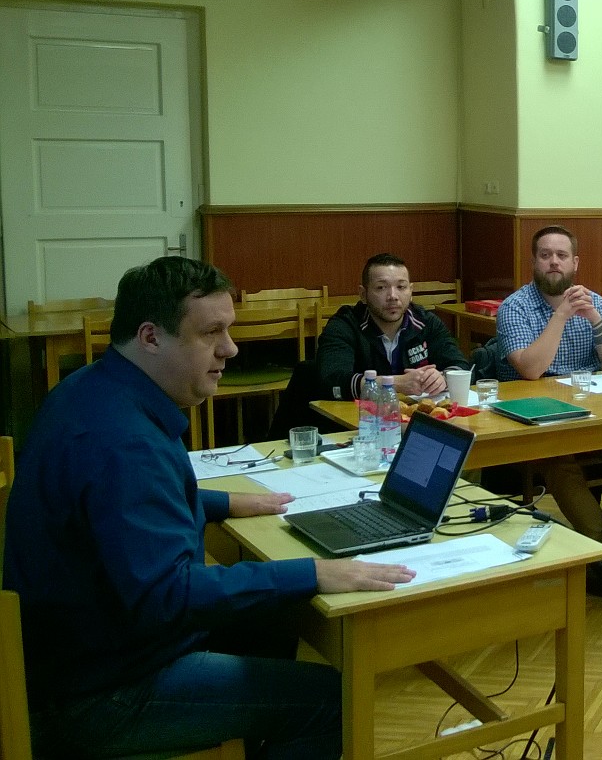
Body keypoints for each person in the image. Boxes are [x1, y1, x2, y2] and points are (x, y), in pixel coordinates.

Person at [2, 257, 413, 760]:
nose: (230, 349)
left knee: (276, 618)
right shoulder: (125, 443)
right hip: (102, 691)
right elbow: (168, 595)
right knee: (331, 700)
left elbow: (120, 505)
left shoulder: (96, 390)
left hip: (87, 648)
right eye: (211, 333)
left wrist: (224, 501)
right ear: (151, 337)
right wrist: (313, 571)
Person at [497, 226, 602, 602]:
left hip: (592, 410)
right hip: (537, 417)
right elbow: (531, 369)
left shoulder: (593, 301)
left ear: (575, 262)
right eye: (545, 255)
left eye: (561, 256)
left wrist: (595, 319)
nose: (554, 262)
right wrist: (561, 316)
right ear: (533, 261)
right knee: (555, 455)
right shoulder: (514, 307)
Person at [317, 253, 469, 400]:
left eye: (401, 287)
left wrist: (442, 378)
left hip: (414, 413)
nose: (393, 296)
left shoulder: (426, 322)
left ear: (411, 292)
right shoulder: (345, 325)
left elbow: (460, 366)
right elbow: (332, 381)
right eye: (381, 287)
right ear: (363, 294)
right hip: (359, 415)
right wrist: (395, 383)